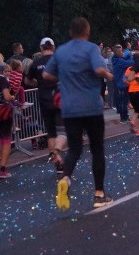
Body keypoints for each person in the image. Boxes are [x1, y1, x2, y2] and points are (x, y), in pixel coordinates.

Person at [44, 17, 115, 210]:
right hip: (91, 105)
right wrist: (108, 75)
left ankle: (65, 178)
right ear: (87, 30)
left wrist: (65, 75)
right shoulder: (91, 48)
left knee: (74, 149)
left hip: (69, 108)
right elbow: (99, 68)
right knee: (97, 149)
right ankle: (99, 194)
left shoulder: (61, 51)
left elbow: (46, 75)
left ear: (70, 32)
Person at [26, 37, 67, 172]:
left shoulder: (35, 63)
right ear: (53, 47)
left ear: (41, 48)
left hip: (44, 99)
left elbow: (27, 80)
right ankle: (58, 153)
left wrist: (39, 84)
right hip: (59, 97)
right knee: (63, 130)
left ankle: (57, 162)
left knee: (51, 132)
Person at [110, 44, 133, 124]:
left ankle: (125, 117)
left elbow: (125, 58)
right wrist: (133, 56)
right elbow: (130, 63)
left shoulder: (115, 59)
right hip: (122, 84)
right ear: (117, 53)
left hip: (119, 83)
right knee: (123, 102)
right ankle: (124, 118)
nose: (122, 52)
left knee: (122, 101)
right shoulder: (120, 61)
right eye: (120, 51)